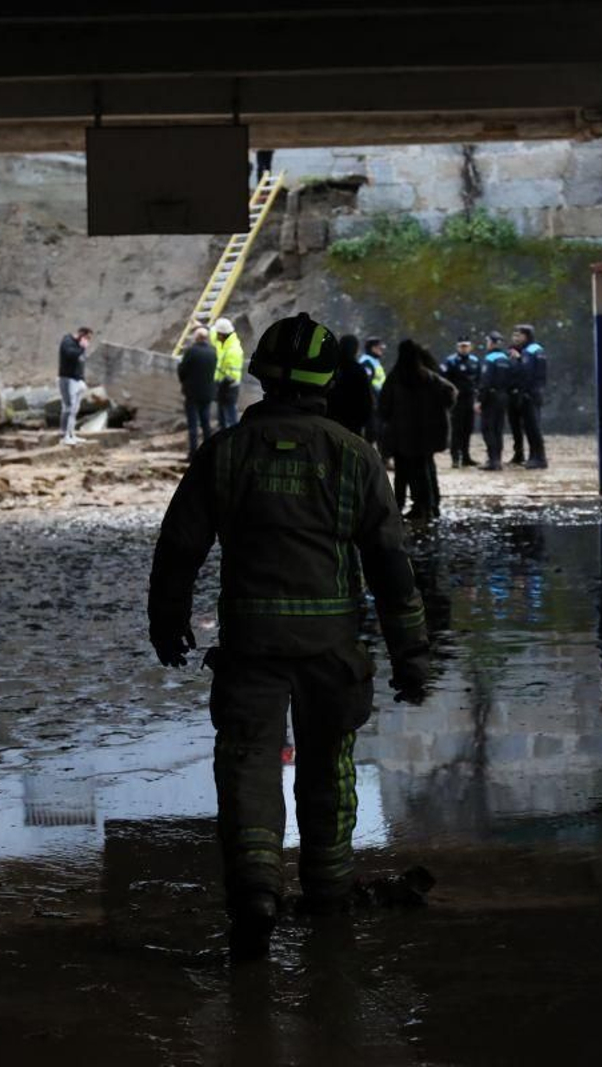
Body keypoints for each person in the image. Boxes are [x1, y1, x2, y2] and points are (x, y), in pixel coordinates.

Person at [148, 311, 430, 960]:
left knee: (248, 763)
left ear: (261, 377)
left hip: (250, 649)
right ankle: (328, 899)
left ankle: (255, 891)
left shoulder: (224, 454)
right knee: (328, 766)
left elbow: (179, 549)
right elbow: (392, 566)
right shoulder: (355, 457)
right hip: (331, 652)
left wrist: (168, 623)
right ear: (327, 381)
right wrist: (410, 655)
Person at [378, 339, 456, 519]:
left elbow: (383, 406)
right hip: (425, 434)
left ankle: (400, 505)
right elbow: (450, 393)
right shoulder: (428, 377)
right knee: (426, 469)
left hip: (401, 434)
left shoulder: (395, 377)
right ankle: (429, 505)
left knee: (402, 473)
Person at [511, 324, 549, 469]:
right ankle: (533, 456)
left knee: (534, 427)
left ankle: (540, 458)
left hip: (531, 394)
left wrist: (519, 360)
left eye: (519, 335)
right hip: (528, 393)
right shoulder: (527, 350)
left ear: (526, 336)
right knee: (529, 427)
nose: (516, 338)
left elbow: (529, 373)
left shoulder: (533, 350)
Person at [440, 336, 481, 467]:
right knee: (456, 430)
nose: (464, 348)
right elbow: (443, 380)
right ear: (457, 347)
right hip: (456, 401)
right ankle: (455, 458)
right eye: (461, 346)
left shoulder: (475, 361)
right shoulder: (450, 361)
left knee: (467, 429)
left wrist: (478, 398)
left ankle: (466, 457)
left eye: (466, 346)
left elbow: (479, 381)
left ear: (470, 347)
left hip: (469, 399)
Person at [177, 326, 218, 457]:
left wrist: (184, 382)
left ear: (196, 338)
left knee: (193, 425)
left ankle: (193, 453)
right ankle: (208, 453)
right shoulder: (214, 352)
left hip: (192, 393)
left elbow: (182, 371)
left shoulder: (191, 352)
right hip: (208, 394)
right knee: (206, 424)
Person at [478, 331, 514, 470]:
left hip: (491, 398)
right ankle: (498, 459)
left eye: (487, 342)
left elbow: (485, 382)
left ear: (492, 343)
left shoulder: (490, 359)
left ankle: (492, 460)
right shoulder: (506, 359)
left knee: (488, 429)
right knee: (498, 429)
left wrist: (480, 400)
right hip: (504, 397)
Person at [325, 333, 374, 437]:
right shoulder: (359, 370)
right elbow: (366, 401)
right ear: (355, 349)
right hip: (353, 427)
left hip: (331, 424)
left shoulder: (330, 368)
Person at [57, 326, 93, 445]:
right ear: (81, 334)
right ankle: (64, 435)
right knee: (68, 407)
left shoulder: (80, 346)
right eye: (87, 337)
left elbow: (81, 363)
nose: (88, 341)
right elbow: (70, 355)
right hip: (67, 378)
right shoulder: (67, 341)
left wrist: (82, 379)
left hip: (77, 380)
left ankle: (71, 434)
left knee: (75, 409)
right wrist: (82, 348)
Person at [212, 318, 244, 429]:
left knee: (231, 416)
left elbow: (233, 376)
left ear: (222, 334)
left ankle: (234, 438)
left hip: (229, 388)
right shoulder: (224, 343)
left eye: (217, 334)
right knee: (221, 416)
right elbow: (212, 335)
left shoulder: (233, 350)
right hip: (222, 386)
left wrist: (221, 386)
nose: (215, 336)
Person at [357, 337, 388, 447]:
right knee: (372, 433)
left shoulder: (374, 362)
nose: (381, 350)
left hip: (377, 402)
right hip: (372, 403)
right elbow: (367, 385)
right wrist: (373, 402)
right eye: (379, 348)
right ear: (372, 348)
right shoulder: (366, 362)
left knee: (378, 432)